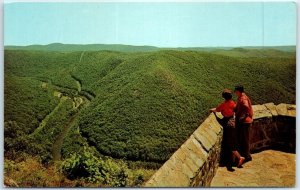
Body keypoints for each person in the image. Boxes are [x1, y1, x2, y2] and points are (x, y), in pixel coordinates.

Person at [210, 89, 245, 171]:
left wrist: (212, 111)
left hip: (229, 125)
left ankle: (240, 157)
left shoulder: (224, 105)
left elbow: (216, 110)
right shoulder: (233, 103)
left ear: (224, 97)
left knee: (231, 144)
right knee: (234, 142)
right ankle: (235, 159)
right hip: (233, 121)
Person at [234, 85, 253, 162]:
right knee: (244, 139)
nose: (235, 92)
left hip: (245, 122)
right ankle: (245, 155)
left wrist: (243, 116)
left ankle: (247, 156)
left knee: (245, 139)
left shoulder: (243, 98)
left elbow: (246, 106)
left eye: (236, 91)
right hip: (244, 121)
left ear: (238, 91)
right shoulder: (241, 97)